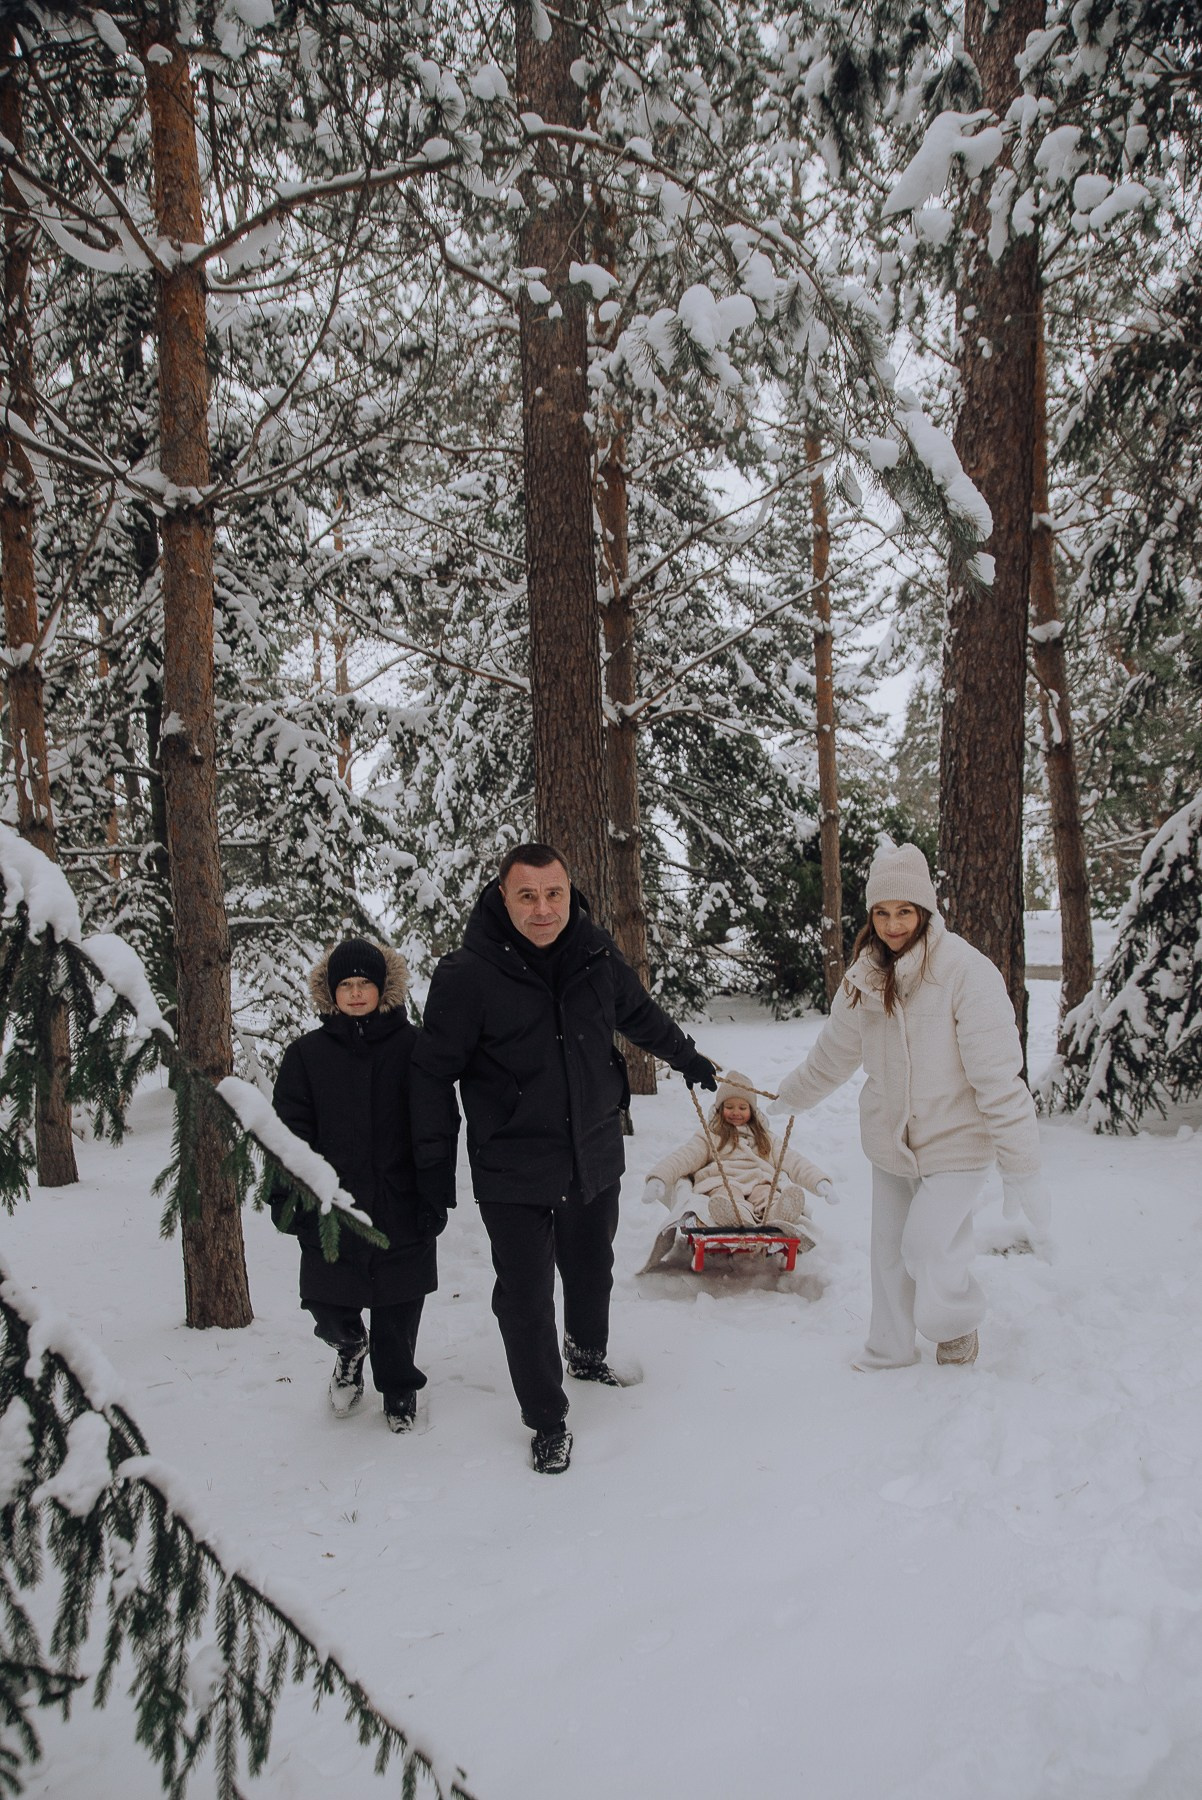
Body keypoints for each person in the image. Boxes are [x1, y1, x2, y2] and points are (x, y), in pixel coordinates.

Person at [409, 844, 718, 1474]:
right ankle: (547, 1418)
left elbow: (638, 1013)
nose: (543, 909)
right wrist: (432, 1172)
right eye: (527, 895)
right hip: (512, 1163)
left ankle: (586, 1353)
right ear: (503, 896)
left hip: (594, 1150)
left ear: (570, 891)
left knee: (591, 1268)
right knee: (524, 1296)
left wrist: (687, 1057)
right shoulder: (466, 974)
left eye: (554, 893)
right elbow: (432, 1076)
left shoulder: (594, 951)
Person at [774, 842, 1052, 1370]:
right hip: (889, 1139)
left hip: (957, 1140)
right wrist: (788, 1096)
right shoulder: (865, 975)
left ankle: (955, 1324)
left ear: (924, 909)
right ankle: (890, 1347)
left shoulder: (965, 971)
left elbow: (999, 1080)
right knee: (888, 1253)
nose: (893, 925)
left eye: (904, 911)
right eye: (881, 912)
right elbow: (833, 1054)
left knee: (925, 1246)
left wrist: (1023, 1167)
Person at [270, 937, 454, 1431]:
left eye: (365, 984)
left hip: (401, 1200)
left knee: (398, 1306)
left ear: (383, 989)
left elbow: (438, 1124)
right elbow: (286, 1133)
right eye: (346, 985)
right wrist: (287, 1197)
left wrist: (436, 1193)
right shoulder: (306, 1055)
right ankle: (350, 1347)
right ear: (331, 992)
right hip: (332, 1206)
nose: (355, 993)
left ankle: (398, 1388)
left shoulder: (414, 1048)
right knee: (327, 1302)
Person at [641, 1068, 836, 1239]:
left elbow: (793, 1161)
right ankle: (735, 1215)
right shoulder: (710, 1135)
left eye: (743, 1107)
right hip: (721, 1181)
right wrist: (660, 1177)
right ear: (720, 1109)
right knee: (727, 1196)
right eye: (729, 1107)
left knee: (767, 1194)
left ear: (752, 1110)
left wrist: (819, 1181)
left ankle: (778, 1213)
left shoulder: (765, 1137)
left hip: (758, 1181)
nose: (736, 1112)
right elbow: (685, 1157)